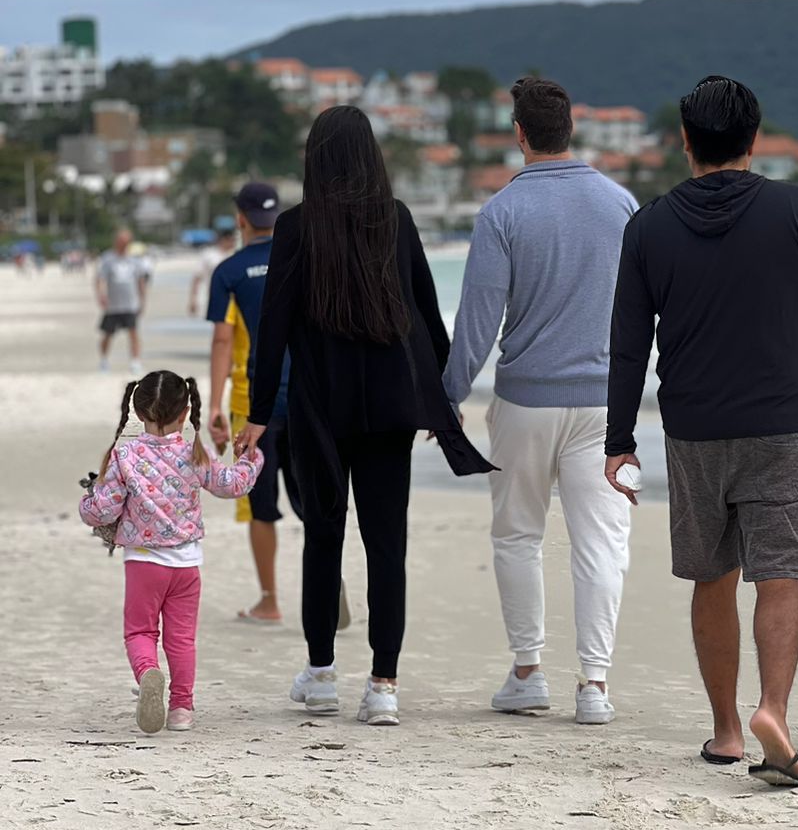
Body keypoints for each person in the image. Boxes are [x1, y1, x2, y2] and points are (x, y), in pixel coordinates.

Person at [605, 76, 798, 788]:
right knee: (780, 574)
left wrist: (619, 440)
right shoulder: (794, 209)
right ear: (754, 140)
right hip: (783, 425)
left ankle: (725, 731)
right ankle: (772, 711)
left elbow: (627, 344)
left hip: (693, 430)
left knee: (712, 576)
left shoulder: (649, 226)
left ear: (685, 141)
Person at [235, 105, 492, 726]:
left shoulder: (295, 227)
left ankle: (321, 674)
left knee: (323, 537)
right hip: (388, 410)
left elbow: (272, 330)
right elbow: (427, 314)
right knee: (386, 544)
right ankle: (383, 686)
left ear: (316, 157)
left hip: (319, 410)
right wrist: (443, 399)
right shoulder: (395, 219)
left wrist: (259, 413)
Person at [444, 76, 639, 724]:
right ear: (570, 129)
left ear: (519, 134)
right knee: (601, 545)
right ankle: (595, 685)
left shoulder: (502, 212)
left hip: (524, 402)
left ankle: (527, 672)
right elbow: (647, 310)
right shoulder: (621, 204)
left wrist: (448, 395)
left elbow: (477, 321)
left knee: (517, 536)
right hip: (605, 406)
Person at [79, 371, 262, 734]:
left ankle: (148, 672)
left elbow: (104, 509)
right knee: (182, 640)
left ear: (138, 411)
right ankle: (181, 708)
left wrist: (86, 505)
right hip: (187, 566)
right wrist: (251, 459)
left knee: (140, 633)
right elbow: (232, 485)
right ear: (185, 412)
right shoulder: (195, 453)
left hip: (144, 563)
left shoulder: (124, 454)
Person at [206, 183, 306, 626]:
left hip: (253, 408)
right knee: (315, 502)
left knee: (260, 507)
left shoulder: (229, 271)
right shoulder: (302, 259)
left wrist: (214, 406)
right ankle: (329, 579)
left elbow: (222, 340)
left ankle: (269, 601)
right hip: (307, 400)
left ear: (240, 219)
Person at [95, 228, 148, 374]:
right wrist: (101, 295)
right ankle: (104, 361)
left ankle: (135, 362)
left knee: (133, 333)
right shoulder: (107, 259)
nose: (124, 244)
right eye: (121, 241)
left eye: (127, 242)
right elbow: (100, 279)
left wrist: (143, 301)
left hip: (130, 304)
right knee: (108, 334)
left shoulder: (135, 260)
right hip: (113, 305)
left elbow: (141, 281)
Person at [189, 225, 237, 316]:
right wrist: (193, 299)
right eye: (231, 240)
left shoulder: (234, 255)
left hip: (230, 300)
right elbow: (197, 277)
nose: (233, 242)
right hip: (209, 298)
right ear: (223, 239)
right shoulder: (209, 255)